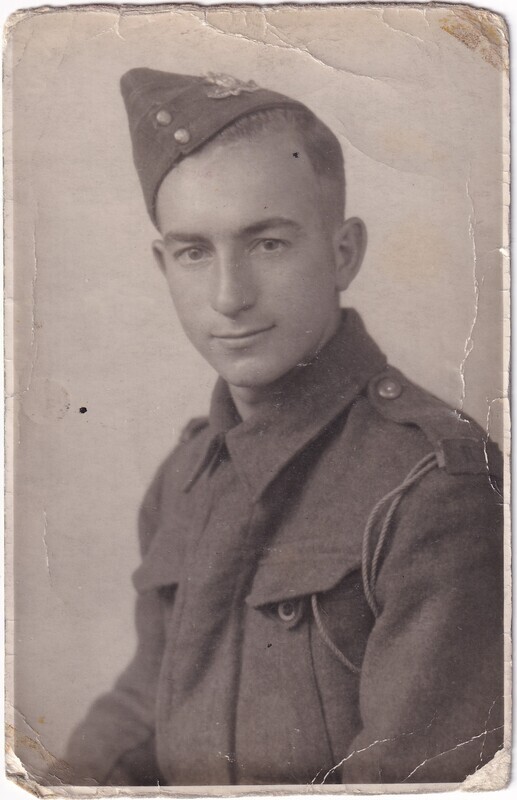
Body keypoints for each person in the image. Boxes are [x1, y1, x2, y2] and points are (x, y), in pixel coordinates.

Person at [60, 69, 504, 786]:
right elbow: (144, 709)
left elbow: (412, 783)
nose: (229, 296)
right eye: (193, 252)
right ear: (161, 264)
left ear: (342, 253)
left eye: (267, 243)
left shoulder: (435, 488)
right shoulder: (184, 476)